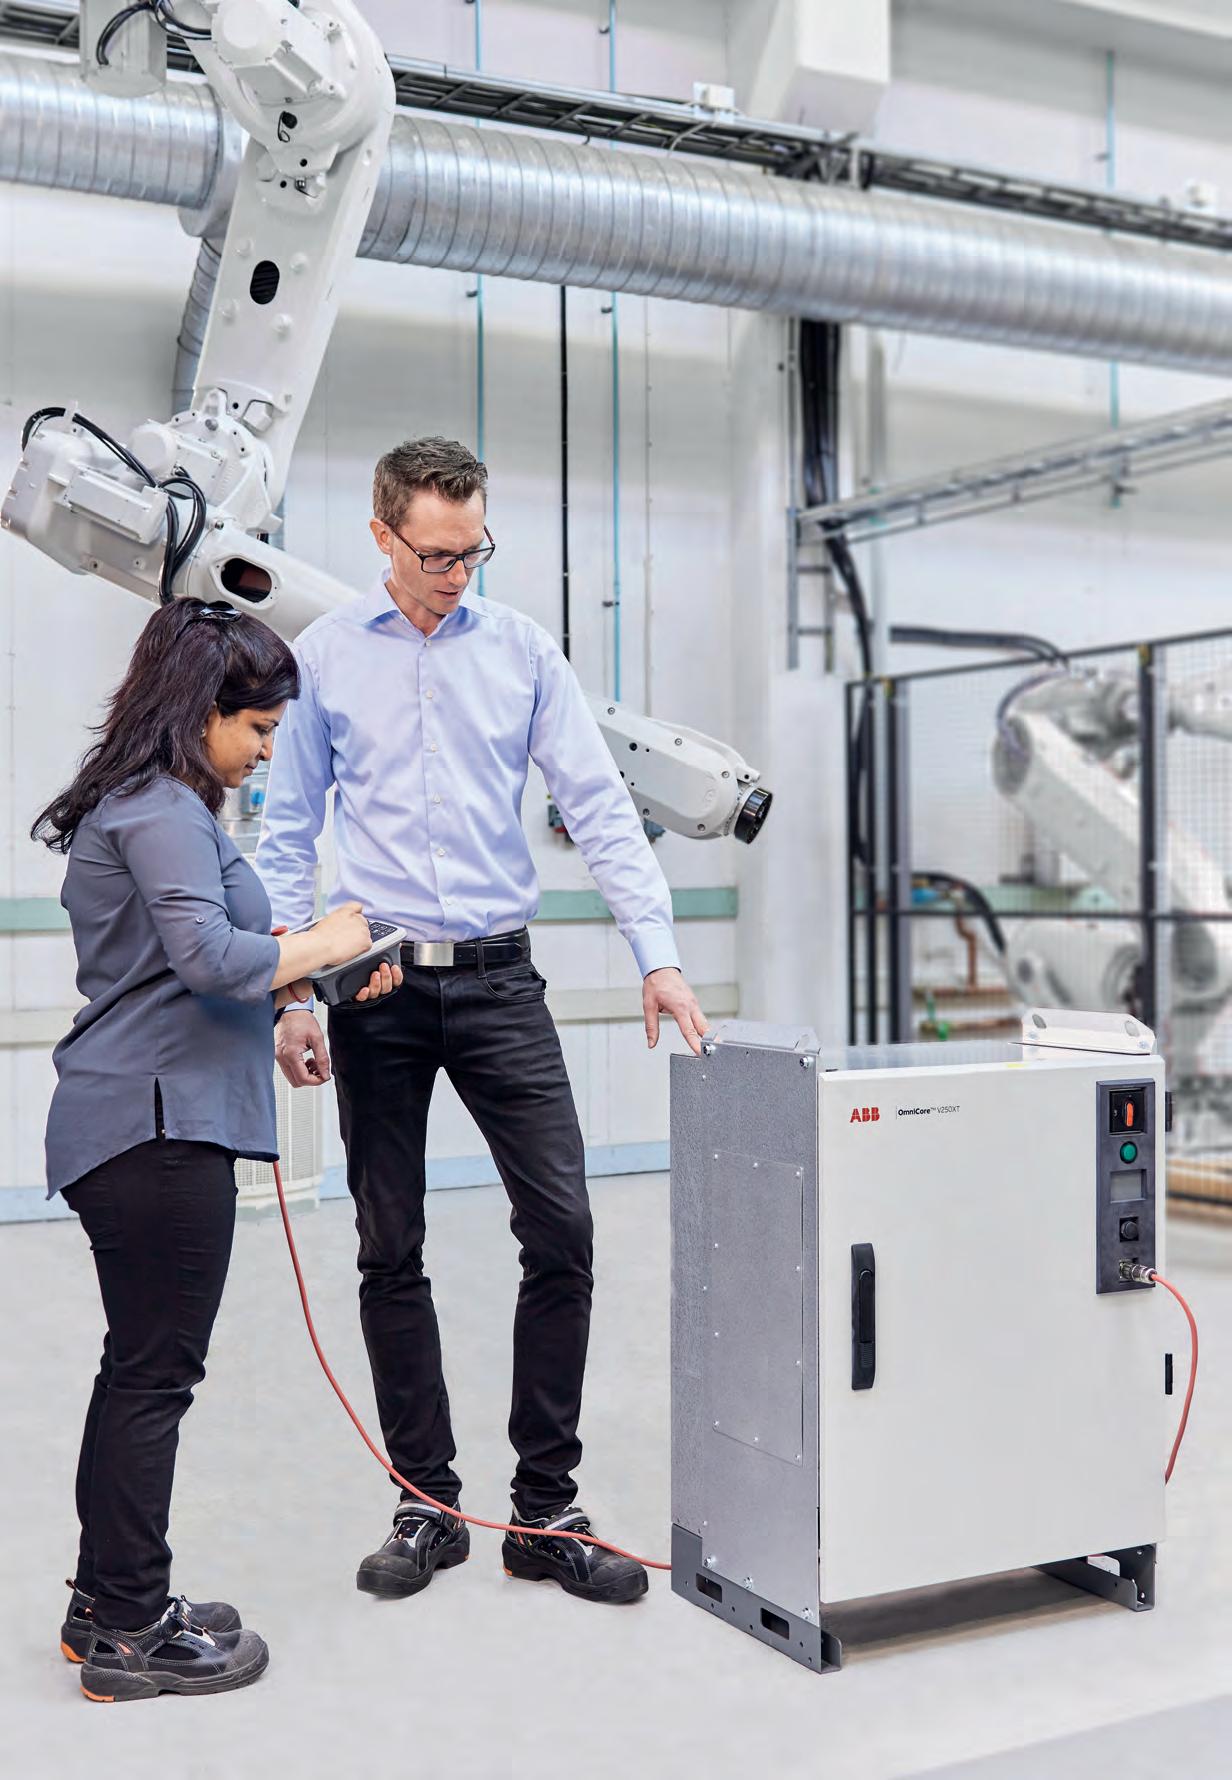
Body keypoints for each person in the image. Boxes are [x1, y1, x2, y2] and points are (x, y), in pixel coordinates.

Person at [256, 436, 709, 1609]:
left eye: (472, 552)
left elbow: (597, 805)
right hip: (375, 984)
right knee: (388, 1244)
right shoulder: (323, 658)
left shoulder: (520, 651)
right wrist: (290, 993)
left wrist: (656, 956)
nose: (457, 574)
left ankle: (542, 1511)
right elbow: (285, 831)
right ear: (382, 536)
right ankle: (427, 1502)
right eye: (435, 554)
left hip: (502, 981)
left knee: (562, 1231)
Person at [34, 597, 398, 1704]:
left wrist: (298, 985)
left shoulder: (159, 805)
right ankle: (130, 1631)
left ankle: (107, 1598)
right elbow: (204, 956)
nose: (265, 750)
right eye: (257, 728)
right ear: (200, 709)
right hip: (153, 1126)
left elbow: (197, 958)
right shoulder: (160, 811)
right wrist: (328, 939)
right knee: (155, 1375)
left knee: (137, 1368)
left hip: (152, 1117)